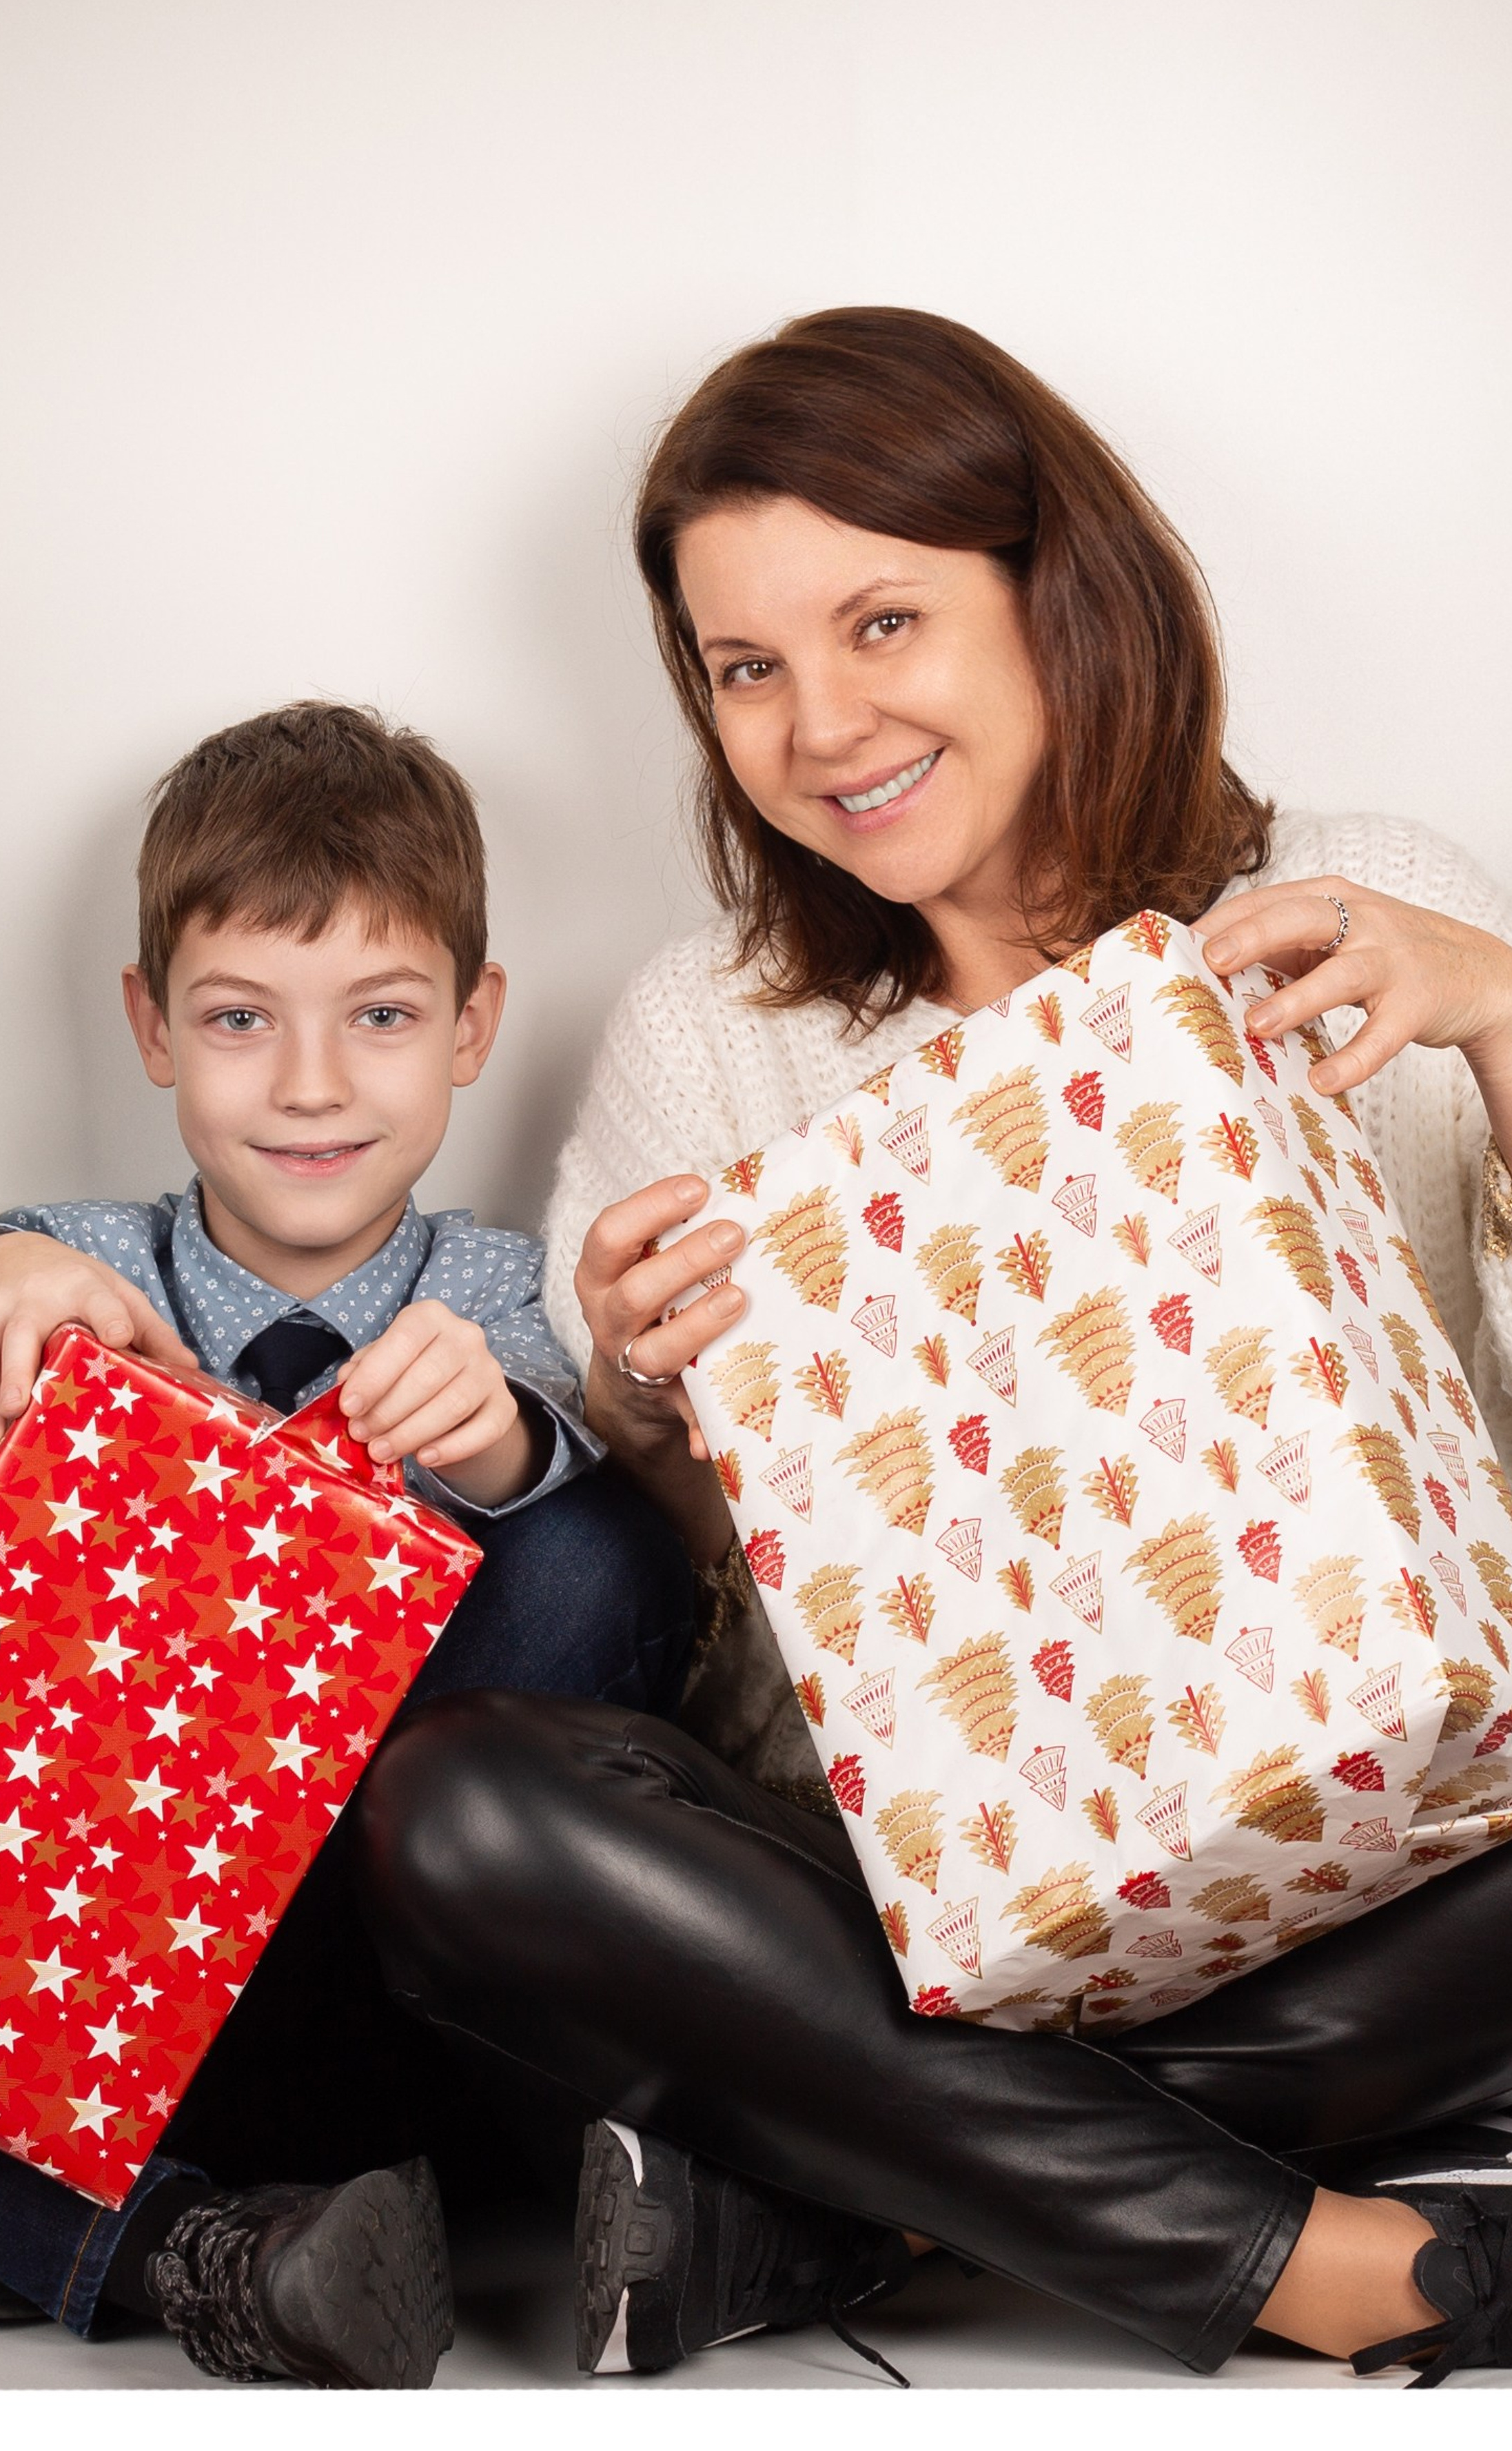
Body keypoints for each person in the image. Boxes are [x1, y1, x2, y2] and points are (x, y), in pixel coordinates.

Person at [349, 307, 1512, 2389]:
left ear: (1053, 591)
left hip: (1389, 1867)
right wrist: (633, 1395)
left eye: (883, 621)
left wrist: (1507, 1026)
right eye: (749, 668)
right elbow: (702, 1652)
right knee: (456, 1814)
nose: (821, 724)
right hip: (917, 1906)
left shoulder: (1363, 905)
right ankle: (1300, 2249)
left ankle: (828, 2184)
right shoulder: (713, 1030)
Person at [0, 699, 692, 2388]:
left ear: (474, 1026)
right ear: (153, 1027)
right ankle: (203, 2252)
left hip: (435, 1987)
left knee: (580, 1552)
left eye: (382, 1016)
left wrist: (504, 1449)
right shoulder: (88, 1261)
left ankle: (9, 2225)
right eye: (241, 1017)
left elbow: (620, 1544)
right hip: (110, 2016)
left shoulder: (510, 1294)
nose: (312, 1084)